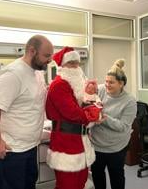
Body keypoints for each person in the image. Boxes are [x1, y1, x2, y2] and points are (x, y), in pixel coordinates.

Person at [0, 35, 54, 189]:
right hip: (12, 150)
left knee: (29, 185)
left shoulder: (37, 71)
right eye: (47, 56)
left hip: (30, 146)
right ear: (32, 51)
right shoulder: (13, 74)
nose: (50, 60)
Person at [45, 46, 102, 189]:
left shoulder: (75, 86)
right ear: (62, 66)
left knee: (80, 183)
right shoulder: (59, 85)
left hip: (80, 141)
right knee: (68, 185)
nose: (76, 67)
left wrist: (93, 104)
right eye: (71, 63)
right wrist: (93, 114)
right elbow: (73, 113)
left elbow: (83, 105)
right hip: (66, 143)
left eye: (77, 63)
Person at [90, 59, 137, 189]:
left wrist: (104, 117)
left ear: (121, 83)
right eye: (106, 81)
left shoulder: (130, 101)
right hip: (96, 144)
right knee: (97, 176)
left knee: (116, 177)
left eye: (111, 82)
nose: (107, 85)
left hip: (116, 146)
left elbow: (123, 126)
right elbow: (87, 102)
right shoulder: (100, 90)